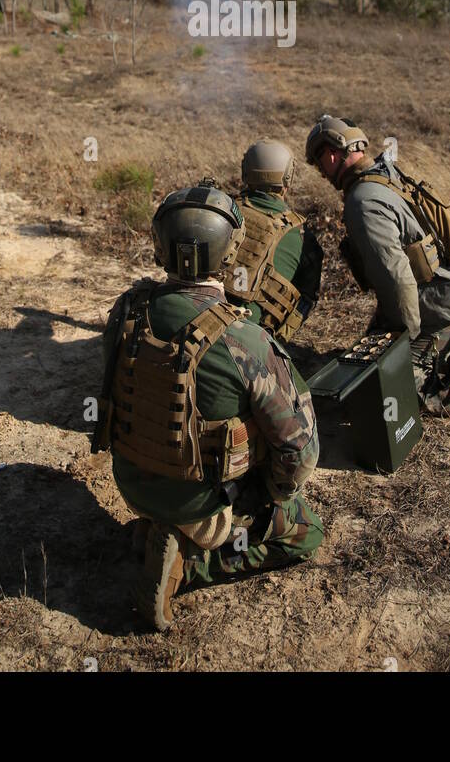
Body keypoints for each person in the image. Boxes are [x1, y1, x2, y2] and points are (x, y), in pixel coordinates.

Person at [93, 182, 323, 631]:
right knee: (305, 532)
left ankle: (153, 530)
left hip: (132, 483)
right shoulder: (246, 341)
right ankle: (190, 563)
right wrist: (270, 496)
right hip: (207, 505)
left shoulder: (126, 311)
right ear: (230, 251)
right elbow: (301, 452)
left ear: (161, 247)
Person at [304, 115, 450, 424]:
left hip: (431, 308)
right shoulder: (385, 176)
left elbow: (396, 278)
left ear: (331, 154)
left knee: (376, 389)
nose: (321, 173)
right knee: (367, 357)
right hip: (446, 292)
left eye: (320, 165)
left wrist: (396, 348)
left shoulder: (362, 202)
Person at [222, 139, 323, 341]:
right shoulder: (302, 237)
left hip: (200, 327)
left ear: (245, 172)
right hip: (251, 345)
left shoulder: (220, 212)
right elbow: (305, 300)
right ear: (288, 178)